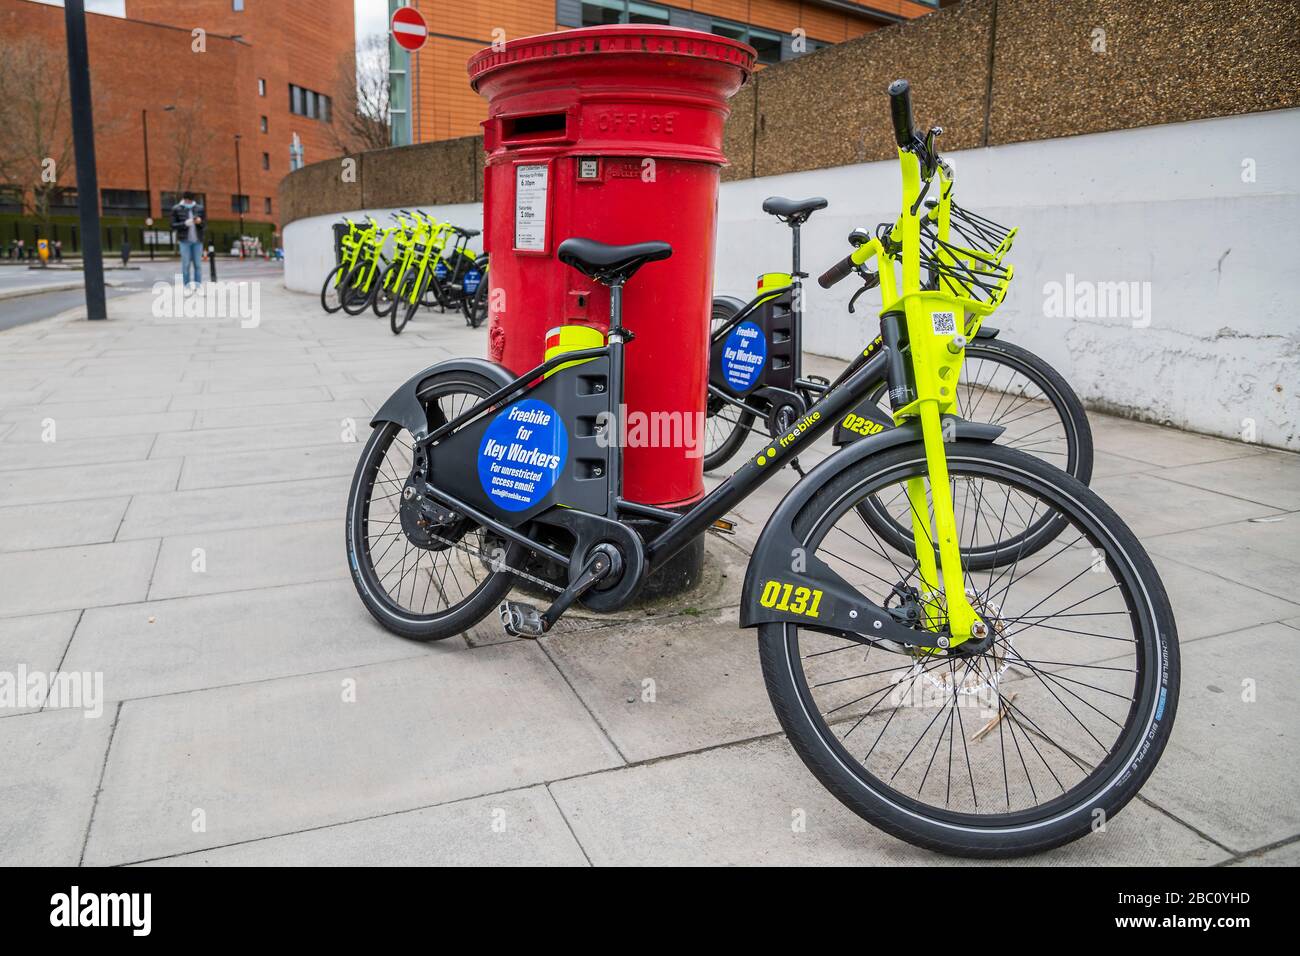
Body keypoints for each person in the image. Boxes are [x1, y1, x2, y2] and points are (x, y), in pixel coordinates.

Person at [171, 191, 205, 290]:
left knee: (198, 265)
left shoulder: (200, 209)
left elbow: (204, 225)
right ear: (184, 199)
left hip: (197, 241)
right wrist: (185, 223)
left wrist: (200, 222)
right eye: (187, 201)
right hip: (184, 241)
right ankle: (187, 287)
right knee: (185, 265)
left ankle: (198, 287)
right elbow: (172, 225)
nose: (189, 203)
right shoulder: (176, 209)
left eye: (190, 201)